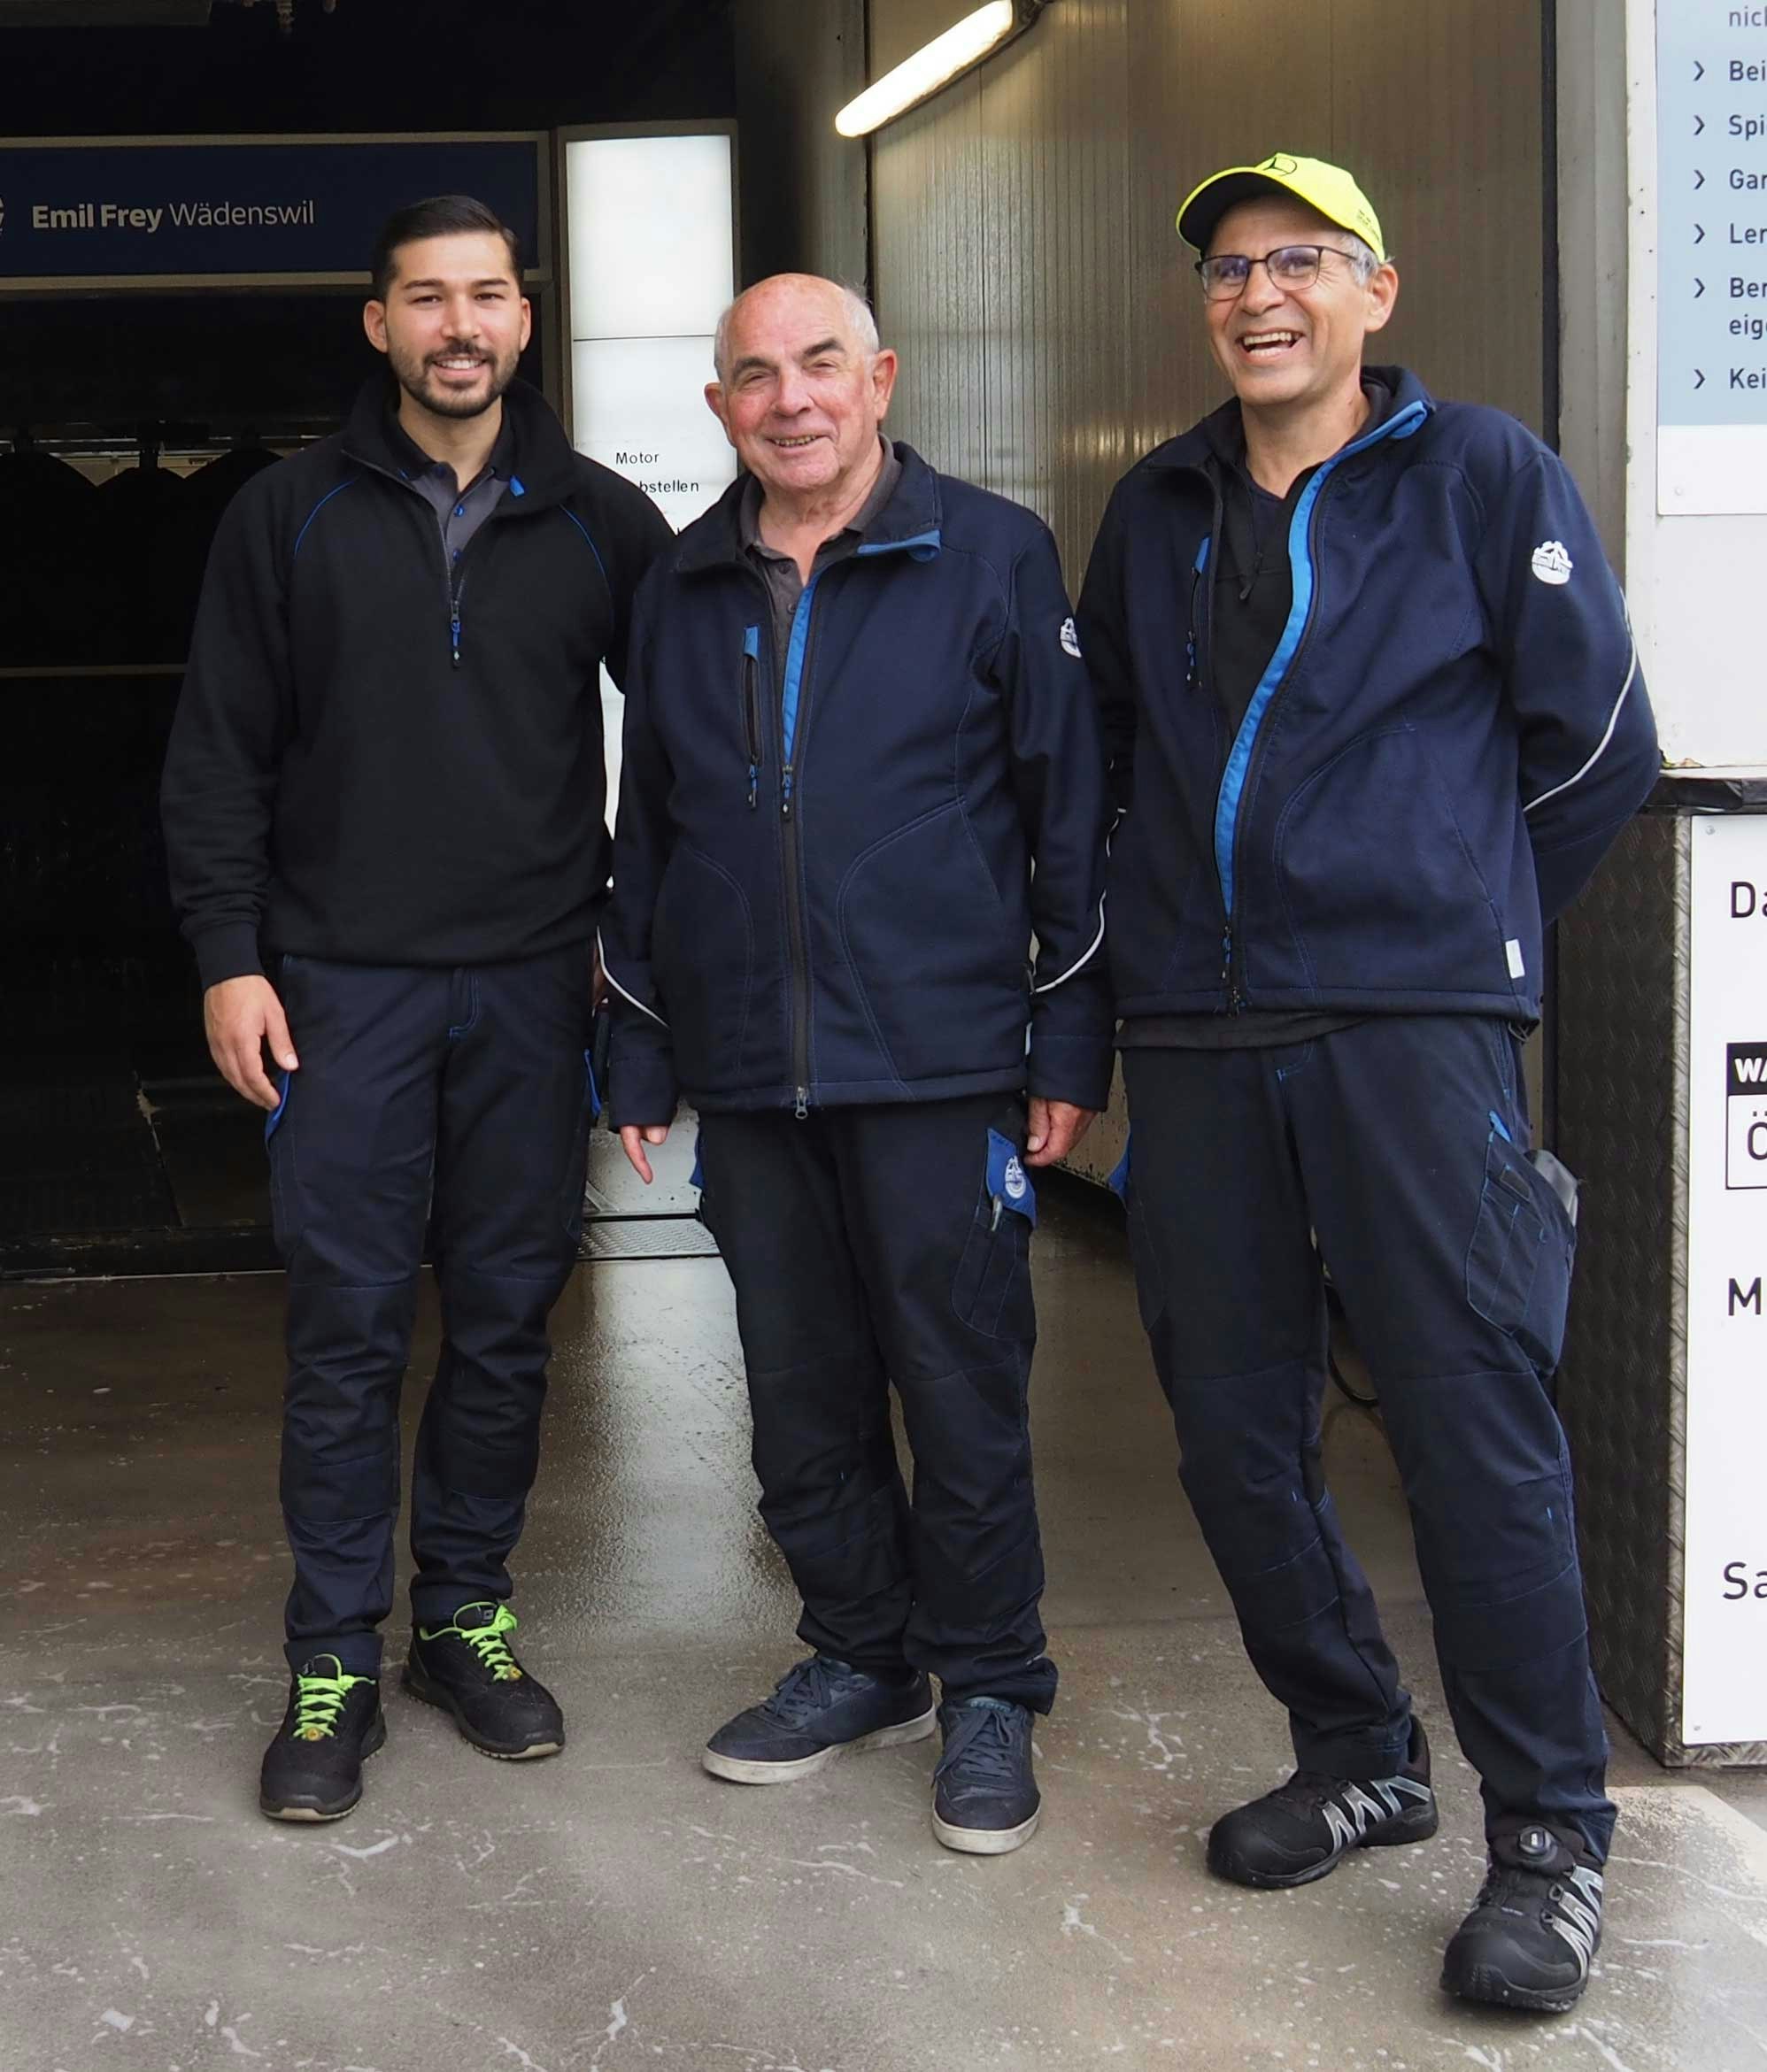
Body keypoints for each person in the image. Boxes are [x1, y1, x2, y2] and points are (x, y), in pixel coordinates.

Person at [1076, 154, 1657, 2009]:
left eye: (1297, 262)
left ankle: (1547, 1835)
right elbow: (1105, 776)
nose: (1257, 294)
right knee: (1229, 1431)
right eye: (1228, 268)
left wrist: (1454, 922)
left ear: (1373, 292)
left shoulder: (1479, 473)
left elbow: (1595, 747)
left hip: (1410, 1028)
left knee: (1469, 1427)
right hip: (1198, 1031)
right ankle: (1358, 1750)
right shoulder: (1151, 508)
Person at [161, 195, 671, 1822]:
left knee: (510, 1322)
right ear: (376, 325)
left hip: (535, 985)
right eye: (427, 298)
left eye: (490, 297)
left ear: (525, 321)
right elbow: (220, 753)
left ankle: (463, 1612)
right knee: (348, 1329)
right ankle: (330, 1653)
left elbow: (699, 751)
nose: (462, 325)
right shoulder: (286, 516)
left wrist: (640, 956)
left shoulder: (600, 520)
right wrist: (229, 956)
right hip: (343, 991)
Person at [601, 273, 1113, 1855]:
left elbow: (1068, 815)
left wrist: (1067, 1033)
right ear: (718, 409)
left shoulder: (994, 556)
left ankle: (991, 1687)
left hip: (942, 1063)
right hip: (752, 1072)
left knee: (960, 1390)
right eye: (752, 376)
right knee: (800, 1394)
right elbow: (653, 833)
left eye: (820, 363)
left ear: (880, 377)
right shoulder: (682, 585)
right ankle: (860, 1651)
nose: (790, 399)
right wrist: (635, 1047)